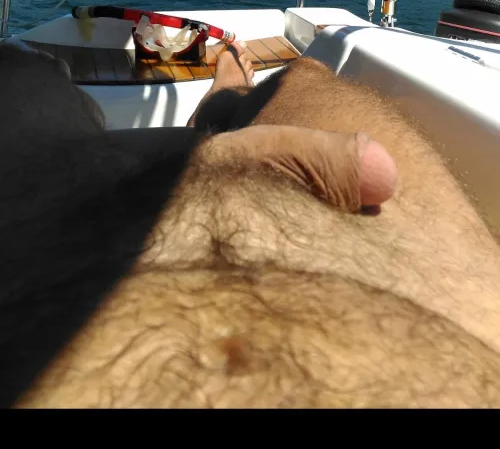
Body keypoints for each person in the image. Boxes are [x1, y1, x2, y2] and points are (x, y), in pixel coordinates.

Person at [2, 39, 500, 408]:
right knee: (304, 76)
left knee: (23, 72)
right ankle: (229, 97)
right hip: (449, 311)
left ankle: (218, 102)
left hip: (42, 217)